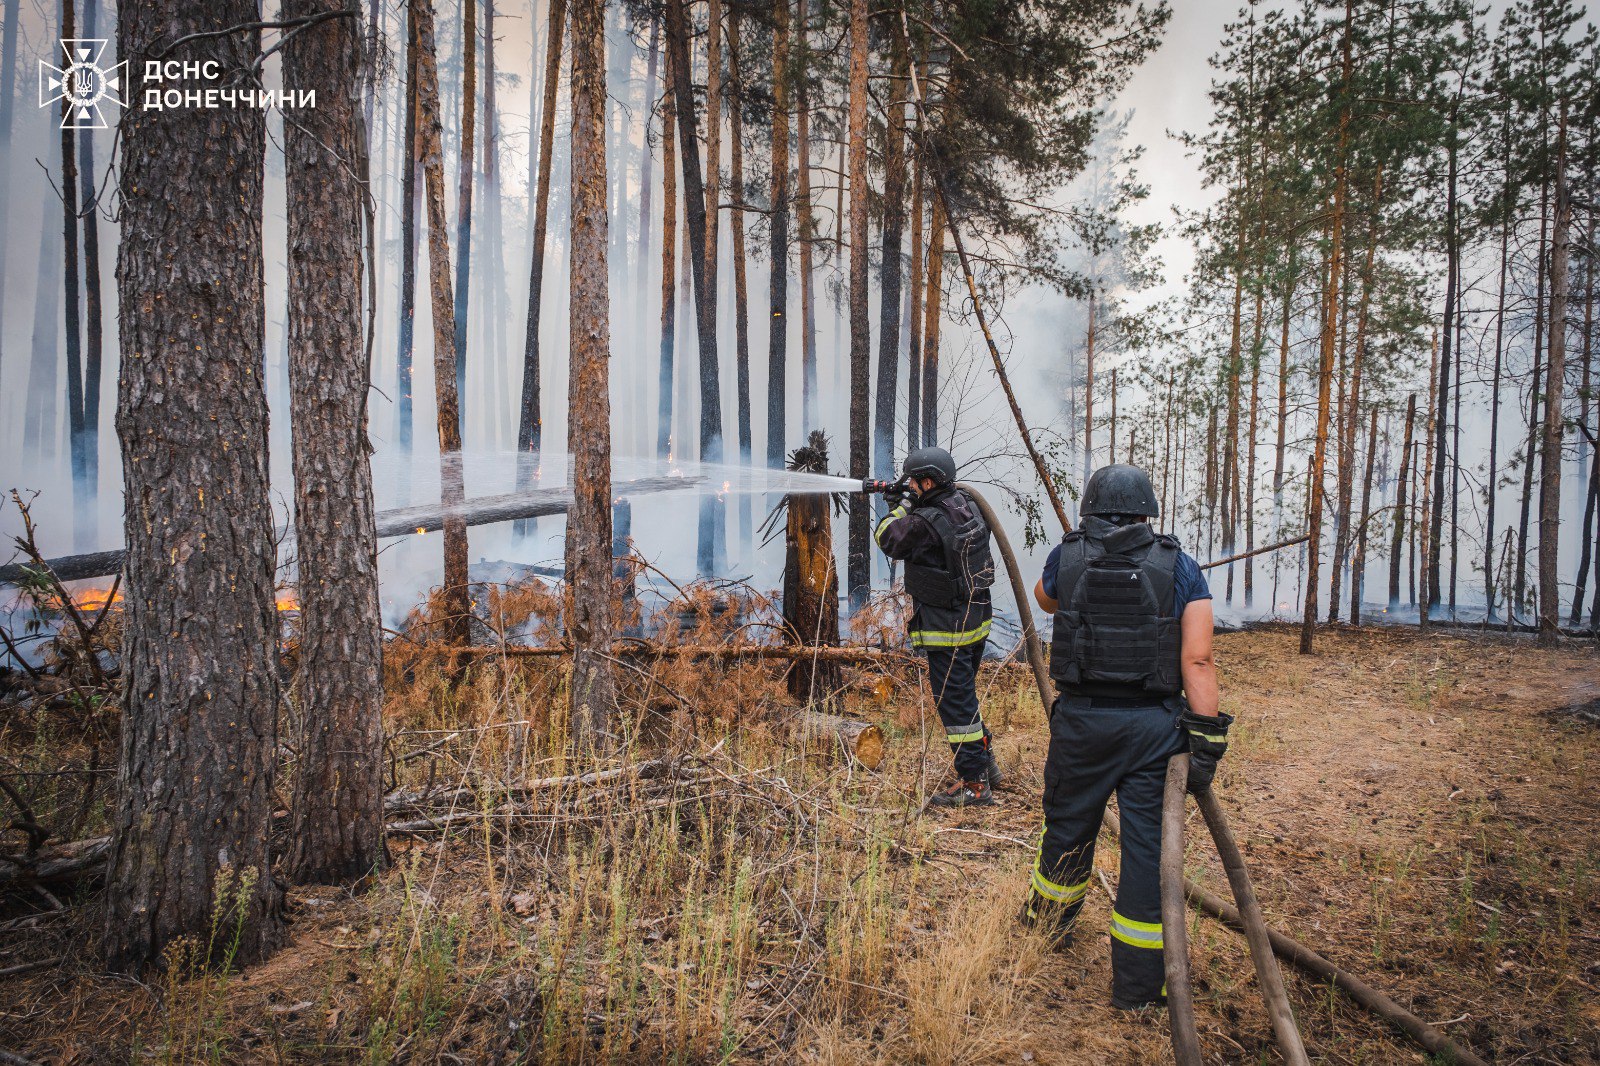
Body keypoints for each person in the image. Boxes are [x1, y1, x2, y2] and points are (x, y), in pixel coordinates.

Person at [1023, 463, 1232, 1010]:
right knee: (1146, 852)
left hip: (1081, 725)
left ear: (1090, 508)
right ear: (1147, 511)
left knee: (1067, 826)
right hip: (1153, 731)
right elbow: (1199, 659)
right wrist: (1207, 738)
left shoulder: (1065, 556)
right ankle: (1140, 988)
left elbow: (1045, 598)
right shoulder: (1181, 567)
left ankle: (1048, 929)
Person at [873, 447, 1002, 808]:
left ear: (927, 482)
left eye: (913, 481)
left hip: (949, 629)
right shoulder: (967, 503)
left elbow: (888, 537)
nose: (910, 484)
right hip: (975, 621)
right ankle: (985, 761)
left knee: (955, 706)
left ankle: (975, 784)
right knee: (963, 697)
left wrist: (900, 506)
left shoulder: (926, 521)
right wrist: (911, 500)